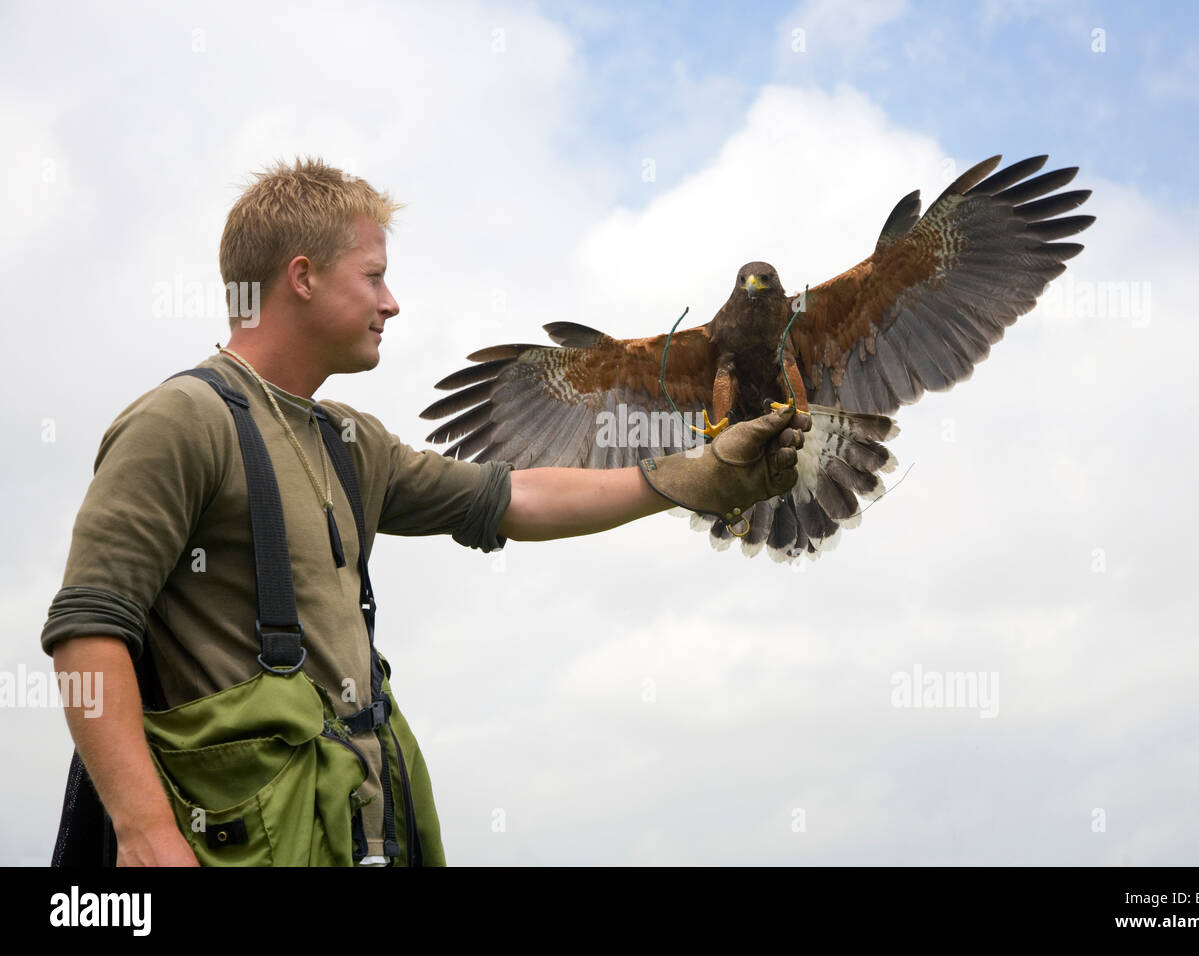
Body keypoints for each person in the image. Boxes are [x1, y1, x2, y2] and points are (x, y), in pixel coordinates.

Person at [41, 157, 810, 867]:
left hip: (357, 835)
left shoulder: (348, 440)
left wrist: (696, 477)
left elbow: (511, 497)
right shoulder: (182, 421)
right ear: (301, 277)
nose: (392, 301)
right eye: (373, 276)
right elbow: (85, 635)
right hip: (238, 845)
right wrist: (145, 836)